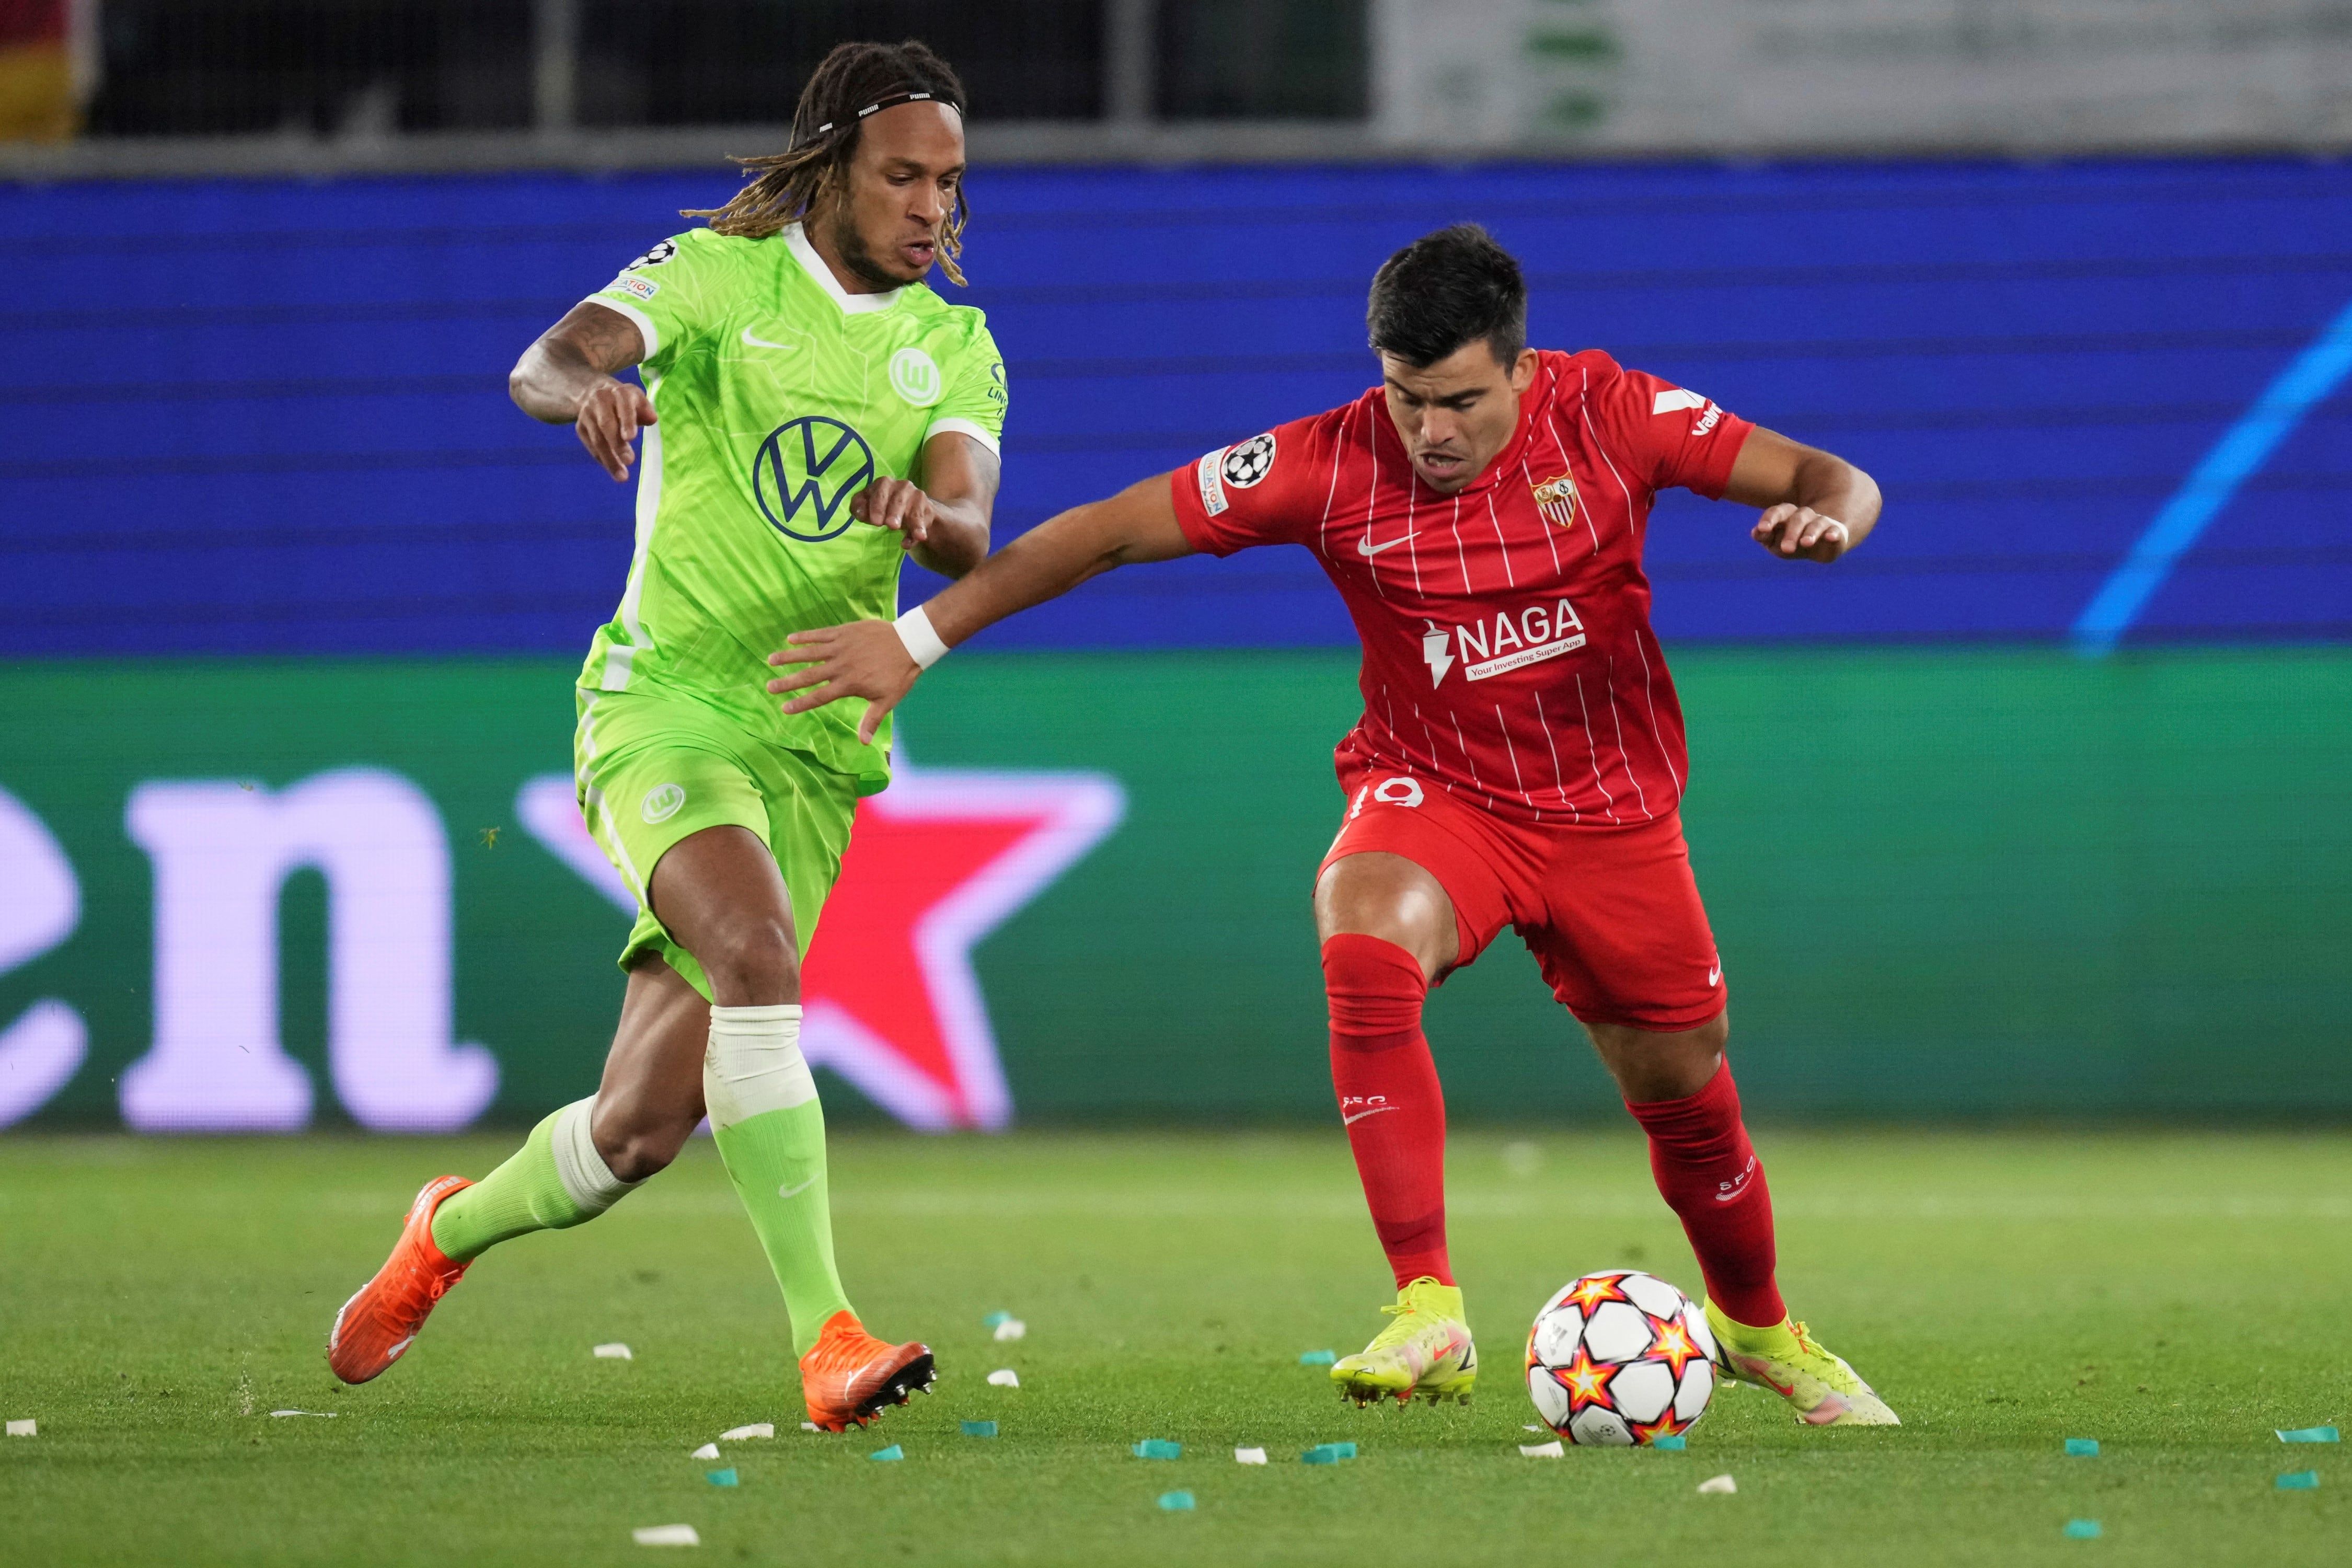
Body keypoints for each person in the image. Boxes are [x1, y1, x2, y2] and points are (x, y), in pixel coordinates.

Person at [773, 223, 1899, 1426]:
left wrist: (1830, 523)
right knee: (1362, 931)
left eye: (1461, 401)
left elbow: (1832, 477)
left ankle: (1758, 1327)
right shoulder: (1327, 460)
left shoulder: (1614, 412)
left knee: (1683, 1084)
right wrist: (916, 638)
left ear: (1523, 370)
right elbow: (1106, 531)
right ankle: (1429, 1306)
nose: (1432, 432)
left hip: (1611, 815)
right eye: (1409, 398)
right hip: (1438, 792)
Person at [325, 39, 1009, 1433]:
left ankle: (442, 1235)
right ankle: (827, 1338)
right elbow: (550, 359)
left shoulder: (955, 344)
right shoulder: (715, 278)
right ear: (831, 168)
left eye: (947, 182)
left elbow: (968, 524)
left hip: (813, 750)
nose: (930, 206)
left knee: (637, 1132)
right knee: (756, 953)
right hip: (664, 709)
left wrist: (926, 519)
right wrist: (586, 389)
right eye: (902, 176)